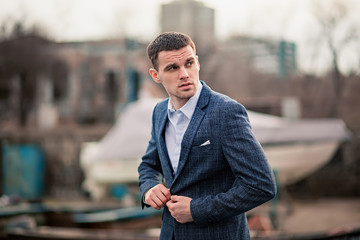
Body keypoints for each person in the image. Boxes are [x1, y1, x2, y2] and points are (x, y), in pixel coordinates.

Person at [138, 32, 276, 240]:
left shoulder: (226, 112)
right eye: (173, 68)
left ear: (198, 63)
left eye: (189, 63)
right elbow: (149, 165)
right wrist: (150, 187)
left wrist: (197, 209)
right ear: (155, 75)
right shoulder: (159, 113)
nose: (184, 74)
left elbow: (261, 185)